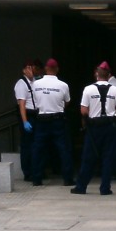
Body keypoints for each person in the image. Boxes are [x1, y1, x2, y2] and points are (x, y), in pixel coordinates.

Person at [72, 61, 116, 195]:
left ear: (97, 74)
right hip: (110, 126)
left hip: (93, 128)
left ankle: (81, 186)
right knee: (108, 158)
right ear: (109, 75)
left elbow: (83, 111)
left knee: (88, 157)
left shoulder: (88, 89)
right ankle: (105, 188)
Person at [31, 58, 73, 186]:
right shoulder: (63, 85)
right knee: (63, 149)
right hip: (57, 119)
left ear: (45, 69)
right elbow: (67, 102)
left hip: (41, 119)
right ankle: (67, 178)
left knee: (38, 149)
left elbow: (35, 100)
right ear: (57, 69)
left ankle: (37, 178)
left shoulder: (36, 84)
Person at [14, 59, 39, 183]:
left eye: (32, 67)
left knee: (35, 145)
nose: (31, 70)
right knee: (27, 145)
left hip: (36, 114)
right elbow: (22, 104)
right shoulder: (21, 83)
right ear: (24, 70)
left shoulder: (35, 82)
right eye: (28, 67)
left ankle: (36, 171)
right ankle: (27, 172)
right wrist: (25, 121)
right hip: (27, 115)